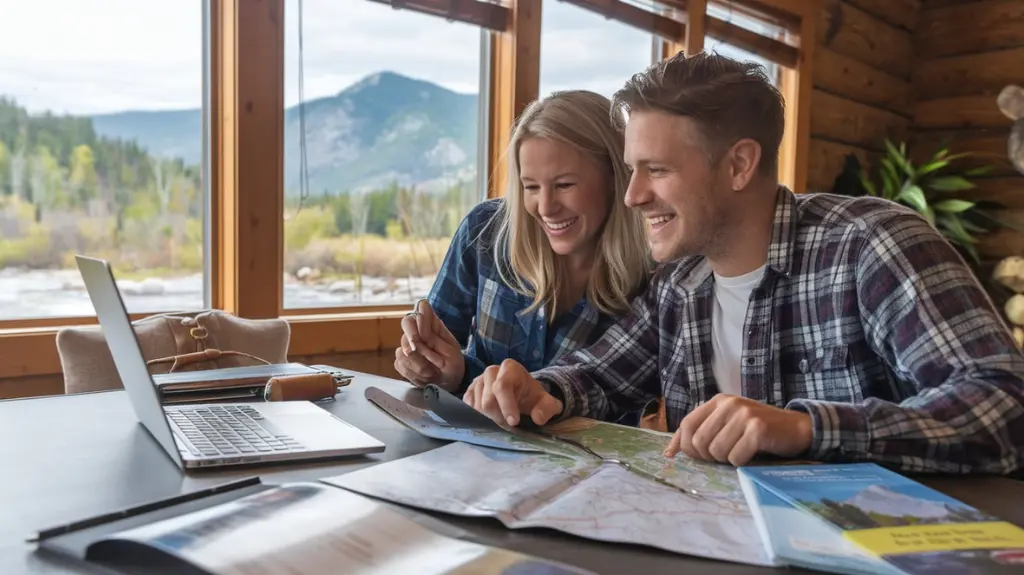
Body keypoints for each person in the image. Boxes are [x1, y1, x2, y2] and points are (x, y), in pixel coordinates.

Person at [462, 52, 1024, 476]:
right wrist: (539, 389)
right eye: (631, 170)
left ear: (738, 165)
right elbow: (600, 375)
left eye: (655, 170)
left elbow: (1003, 403)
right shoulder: (679, 283)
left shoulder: (871, 243)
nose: (631, 196)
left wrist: (806, 427)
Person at [393, 90, 652, 396]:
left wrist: (473, 379)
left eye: (564, 185)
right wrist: (425, 360)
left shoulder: (654, 275)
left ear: (614, 178)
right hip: (473, 440)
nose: (545, 207)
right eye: (530, 187)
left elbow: (616, 400)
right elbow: (434, 350)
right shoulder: (484, 231)